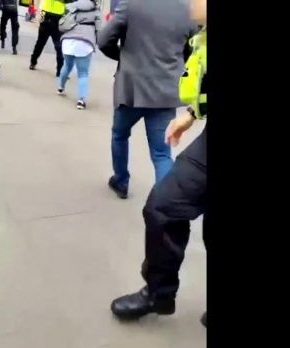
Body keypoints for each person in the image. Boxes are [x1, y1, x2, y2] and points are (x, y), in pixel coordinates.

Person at [109, 0, 208, 327]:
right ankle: (159, 293)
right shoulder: (202, 32)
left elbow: (107, 38)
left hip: (135, 87)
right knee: (163, 206)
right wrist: (191, 115)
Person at [98, 0, 197, 199]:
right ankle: (166, 205)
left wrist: (123, 58)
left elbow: (104, 40)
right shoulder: (187, 9)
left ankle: (121, 181)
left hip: (131, 89)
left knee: (119, 135)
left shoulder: (131, 4)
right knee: (162, 154)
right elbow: (191, 50)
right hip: (166, 91)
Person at [56, 0, 102, 110]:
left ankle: (60, 87)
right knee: (83, 73)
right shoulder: (96, 11)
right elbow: (99, 29)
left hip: (68, 40)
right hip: (85, 43)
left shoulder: (73, 6)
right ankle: (81, 100)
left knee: (67, 66)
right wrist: (99, 43)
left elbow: (64, 22)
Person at [30, 0, 66, 76]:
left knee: (42, 43)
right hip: (54, 16)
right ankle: (60, 70)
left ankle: (33, 62)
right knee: (57, 46)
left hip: (50, 15)